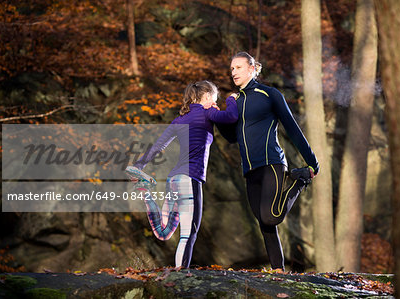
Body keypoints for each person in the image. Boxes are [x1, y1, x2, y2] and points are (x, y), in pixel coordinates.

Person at [217, 51, 320, 271]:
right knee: (264, 224)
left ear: (252, 68)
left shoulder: (269, 94)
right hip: (250, 169)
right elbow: (232, 137)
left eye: (238, 67)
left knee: (271, 216)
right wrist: (216, 117)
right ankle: (278, 272)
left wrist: (312, 160)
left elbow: (292, 128)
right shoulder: (235, 101)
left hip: (271, 162)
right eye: (232, 68)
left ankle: (299, 179)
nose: (233, 72)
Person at [126, 80, 238, 268]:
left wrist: (139, 165)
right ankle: (179, 281)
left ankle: (146, 191)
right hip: (190, 179)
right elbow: (232, 116)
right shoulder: (208, 112)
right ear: (208, 96)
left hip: (174, 179)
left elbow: (158, 146)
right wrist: (232, 99)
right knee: (188, 233)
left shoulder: (180, 119)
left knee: (164, 232)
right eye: (215, 97)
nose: (216, 101)